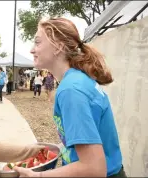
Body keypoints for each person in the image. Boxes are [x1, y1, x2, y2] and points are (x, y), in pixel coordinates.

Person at [14, 17, 126, 177]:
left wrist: (38, 176)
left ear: (58, 47)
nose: (32, 50)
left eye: (37, 42)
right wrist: (58, 147)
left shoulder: (71, 90)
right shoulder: (77, 80)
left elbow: (94, 168)